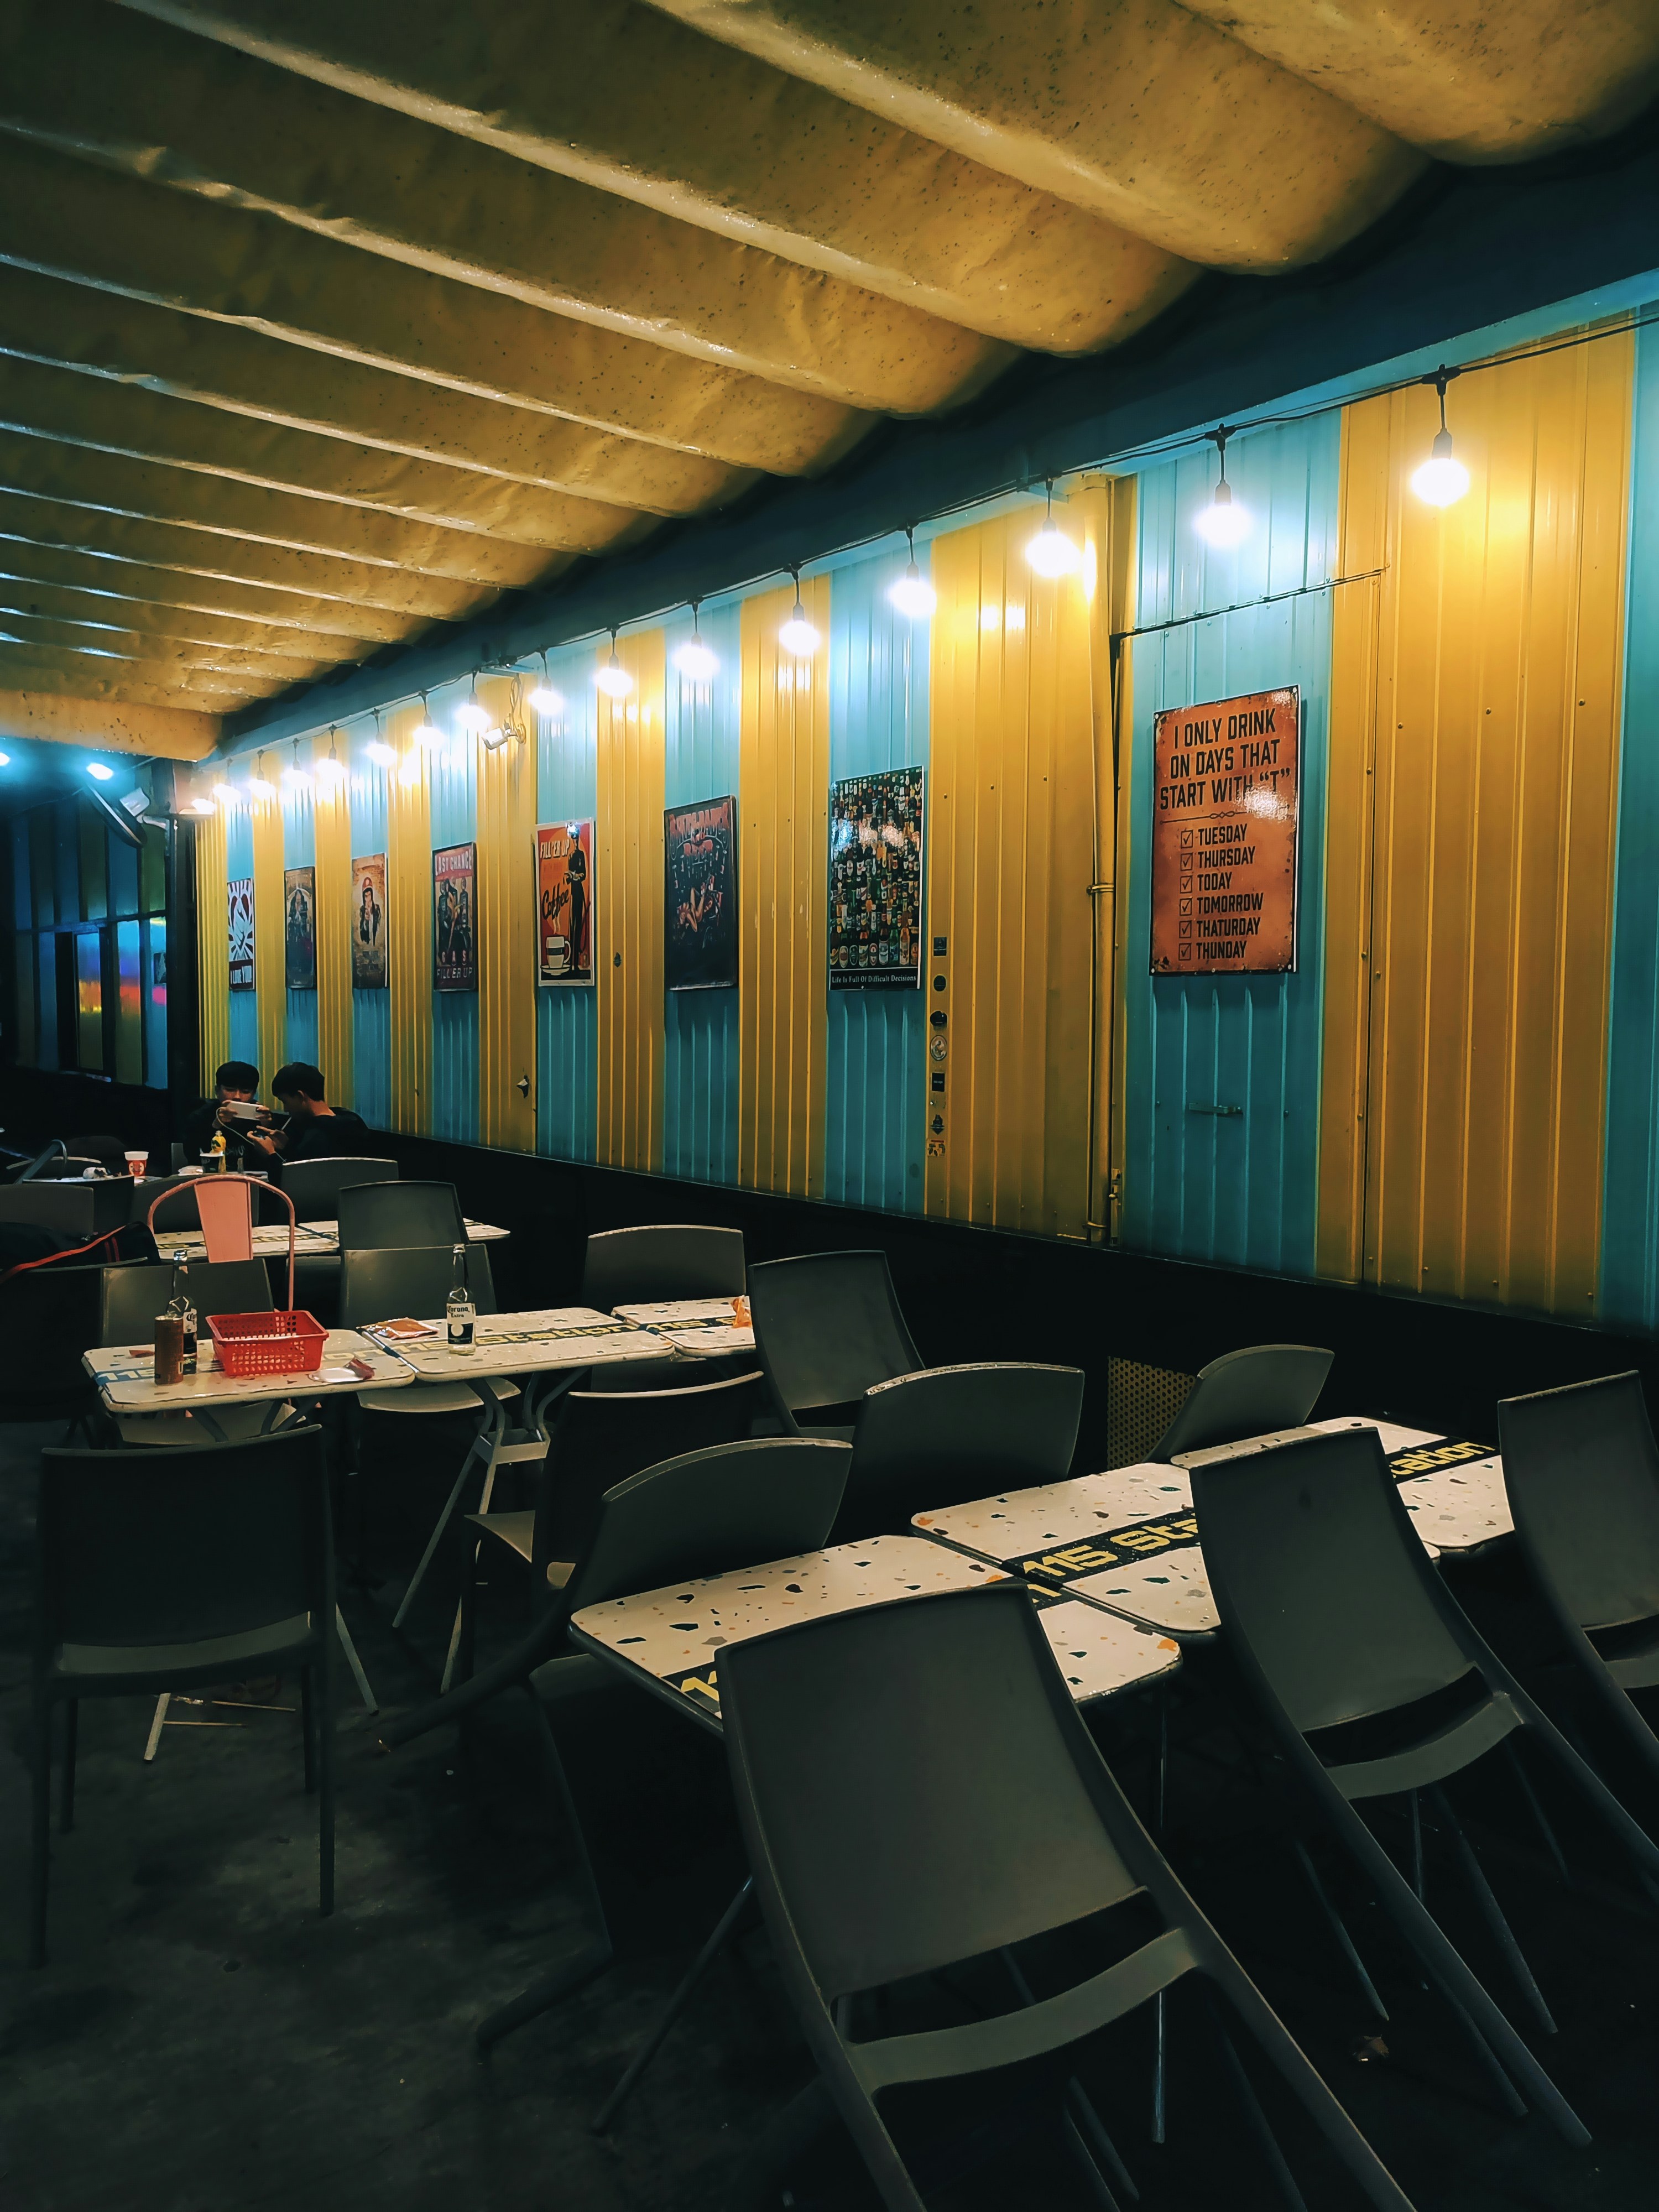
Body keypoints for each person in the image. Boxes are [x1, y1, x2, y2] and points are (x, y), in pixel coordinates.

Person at [241, 1063, 369, 1165]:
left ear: (300, 1096)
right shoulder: (353, 1121)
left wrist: (270, 1154)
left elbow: (295, 1184)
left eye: (285, 1101)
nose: (285, 1109)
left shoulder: (317, 1135)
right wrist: (287, 1146)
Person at [180, 1061, 261, 1164]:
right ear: (217, 1091)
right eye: (230, 1090)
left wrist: (268, 1125)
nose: (237, 1097)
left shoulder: (260, 1116)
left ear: (254, 1094)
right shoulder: (200, 1117)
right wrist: (216, 1125)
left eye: (245, 1092)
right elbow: (194, 1158)